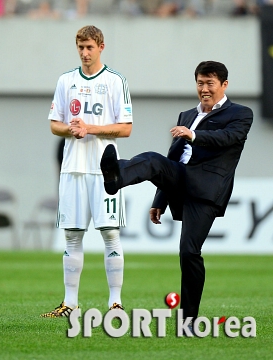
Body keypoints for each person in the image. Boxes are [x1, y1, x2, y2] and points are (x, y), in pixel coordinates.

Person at [100, 61, 253, 327]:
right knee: (154, 159)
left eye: (210, 83)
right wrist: (160, 199)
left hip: (206, 190)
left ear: (224, 85)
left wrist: (193, 134)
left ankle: (189, 321)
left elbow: (227, 138)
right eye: (200, 83)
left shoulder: (240, 113)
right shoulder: (186, 114)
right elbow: (174, 156)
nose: (204, 89)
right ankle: (116, 176)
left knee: (189, 252)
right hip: (180, 179)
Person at [41, 25, 133, 318]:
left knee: (110, 233)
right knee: (72, 236)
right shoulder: (66, 81)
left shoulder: (116, 81)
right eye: (80, 47)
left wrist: (90, 128)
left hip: (104, 170)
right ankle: (70, 303)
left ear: (101, 47)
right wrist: (70, 129)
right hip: (72, 169)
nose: (84, 53)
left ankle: (115, 303)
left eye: (89, 47)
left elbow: (126, 128)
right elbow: (54, 123)